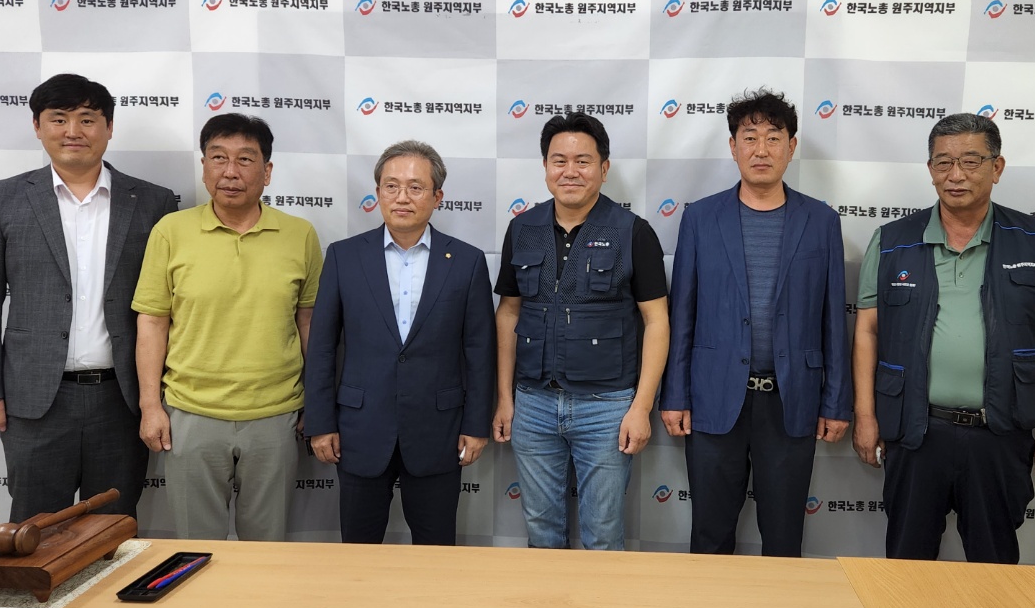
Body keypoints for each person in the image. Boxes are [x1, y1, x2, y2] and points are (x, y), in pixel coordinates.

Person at [851, 112, 1035, 563]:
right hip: (915, 432)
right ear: (931, 169)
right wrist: (865, 415)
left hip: (1000, 433)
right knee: (908, 565)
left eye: (971, 161)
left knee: (993, 568)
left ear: (997, 167)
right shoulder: (892, 240)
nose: (956, 175)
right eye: (943, 162)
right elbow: (868, 331)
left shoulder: (1034, 238)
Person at [0, 74, 176, 523]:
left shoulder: (153, 202)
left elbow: (166, 309)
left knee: (113, 528)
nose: (73, 131)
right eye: (58, 119)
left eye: (87, 119)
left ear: (109, 127)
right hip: (34, 399)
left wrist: (155, 398)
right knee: (35, 530)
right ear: (37, 126)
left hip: (122, 399)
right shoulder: (3, 198)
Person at [659, 89, 851, 556]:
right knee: (710, 533)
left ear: (791, 146)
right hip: (713, 396)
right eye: (749, 137)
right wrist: (676, 395)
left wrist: (835, 401)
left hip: (791, 400)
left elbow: (833, 319)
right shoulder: (701, 218)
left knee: (784, 538)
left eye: (773, 137)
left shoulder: (821, 221)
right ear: (733, 147)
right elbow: (682, 313)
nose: (761, 149)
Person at [133, 114, 321, 541]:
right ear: (204, 166)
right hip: (190, 413)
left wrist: (317, 401)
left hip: (275, 415)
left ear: (267, 171)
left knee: (267, 547)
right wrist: (150, 407)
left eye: (245, 159)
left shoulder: (300, 235)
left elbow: (309, 323)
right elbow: (153, 322)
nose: (230, 172)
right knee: (196, 550)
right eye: (218, 158)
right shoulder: (171, 231)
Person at [492, 112, 669, 550]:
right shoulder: (522, 229)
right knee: (540, 530)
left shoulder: (634, 233)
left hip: (607, 408)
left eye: (583, 161)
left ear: (604, 169)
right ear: (545, 167)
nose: (570, 171)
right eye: (559, 160)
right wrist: (505, 399)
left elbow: (656, 321)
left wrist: (641, 407)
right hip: (533, 404)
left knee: (603, 536)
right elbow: (508, 314)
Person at [304, 141, 496, 545]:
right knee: (358, 552)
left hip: (438, 431)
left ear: (437, 197)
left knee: (436, 551)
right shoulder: (343, 257)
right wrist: (320, 424)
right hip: (359, 429)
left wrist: (476, 425)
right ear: (378, 193)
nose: (402, 197)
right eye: (391, 186)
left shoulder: (466, 261)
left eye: (415, 187)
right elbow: (321, 347)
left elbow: (479, 351)